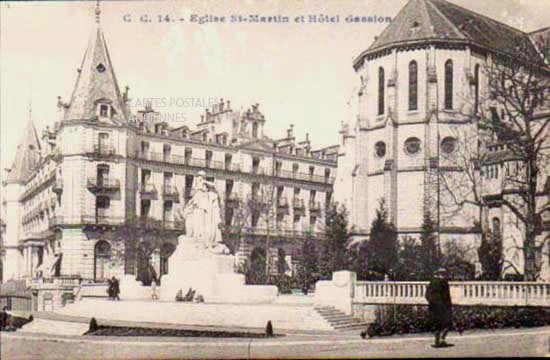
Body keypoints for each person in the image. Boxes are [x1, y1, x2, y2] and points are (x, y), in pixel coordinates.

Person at [425, 268, 453, 347]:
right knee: (447, 324)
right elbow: (447, 296)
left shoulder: (431, 283)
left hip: (433, 307)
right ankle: (442, 339)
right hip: (443, 307)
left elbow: (427, 295)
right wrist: (448, 306)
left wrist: (431, 302)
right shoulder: (444, 283)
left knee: (437, 324)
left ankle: (437, 340)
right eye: (444, 274)